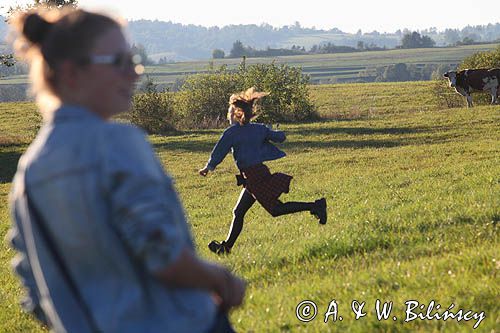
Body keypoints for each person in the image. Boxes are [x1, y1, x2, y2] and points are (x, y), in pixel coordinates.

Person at [7, 8, 244, 333]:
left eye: (132, 60)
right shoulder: (116, 143)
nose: (134, 73)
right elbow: (162, 255)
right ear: (72, 73)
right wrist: (222, 280)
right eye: (119, 62)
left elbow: (32, 285)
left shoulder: (28, 172)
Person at [199, 87, 327, 255]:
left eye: (230, 113)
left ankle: (316, 205)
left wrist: (209, 167)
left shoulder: (232, 132)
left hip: (254, 177)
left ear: (237, 114)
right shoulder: (259, 129)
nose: (228, 116)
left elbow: (219, 150)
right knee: (238, 211)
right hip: (256, 174)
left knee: (275, 210)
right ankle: (226, 247)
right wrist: (273, 131)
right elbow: (280, 137)